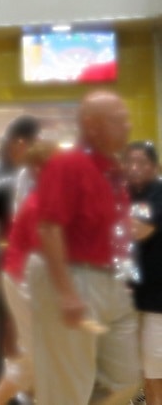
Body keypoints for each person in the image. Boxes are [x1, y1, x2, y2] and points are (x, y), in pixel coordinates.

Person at [28, 90, 140, 405]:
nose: (129, 126)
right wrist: (66, 292)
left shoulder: (113, 169)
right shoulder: (68, 165)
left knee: (125, 378)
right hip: (75, 276)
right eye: (120, 120)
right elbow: (50, 227)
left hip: (111, 281)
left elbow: (116, 230)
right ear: (91, 125)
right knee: (66, 386)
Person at [0, 115, 40, 386]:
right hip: (6, 257)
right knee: (6, 322)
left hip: (38, 260)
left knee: (31, 322)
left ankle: (28, 381)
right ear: (18, 143)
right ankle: (9, 382)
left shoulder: (41, 174)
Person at [125, 141, 162, 405]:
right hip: (127, 294)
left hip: (156, 298)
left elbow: (141, 231)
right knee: (130, 364)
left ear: (155, 167)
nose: (134, 168)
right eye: (130, 162)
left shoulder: (159, 194)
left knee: (154, 368)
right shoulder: (124, 193)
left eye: (141, 163)